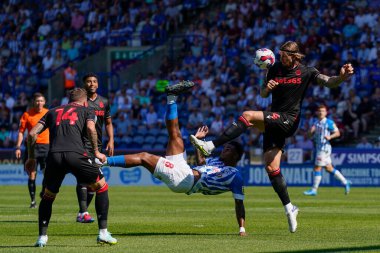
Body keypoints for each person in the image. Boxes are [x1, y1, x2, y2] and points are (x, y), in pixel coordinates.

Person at [190, 41, 354, 233]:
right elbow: (263, 93)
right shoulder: (274, 68)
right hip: (274, 121)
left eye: (283, 55)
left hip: (289, 119)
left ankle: (210, 145)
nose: (280, 57)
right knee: (271, 167)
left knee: (248, 115)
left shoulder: (308, 71)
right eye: (279, 54)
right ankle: (290, 208)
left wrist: (342, 78)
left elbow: (329, 82)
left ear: (293, 56)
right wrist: (267, 87)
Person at [98, 81, 247, 236]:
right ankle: (172, 97)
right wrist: (198, 141)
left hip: (184, 180)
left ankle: (103, 161)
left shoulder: (235, 175)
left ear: (236, 156)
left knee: (144, 157)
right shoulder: (217, 161)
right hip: (185, 170)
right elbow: (201, 163)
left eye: (228, 149)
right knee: (175, 136)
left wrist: (242, 229)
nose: (224, 150)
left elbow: (239, 202)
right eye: (225, 147)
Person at [25, 88, 117, 247]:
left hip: (54, 157)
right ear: (85, 100)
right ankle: (103, 233)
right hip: (77, 155)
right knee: (101, 187)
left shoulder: (52, 111)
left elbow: (32, 134)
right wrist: (96, 151)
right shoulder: (87, 109)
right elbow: (90, 128)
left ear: (69, 100)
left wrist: (31, 158)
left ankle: (42, 237)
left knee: (48, 196)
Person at [75, 73, 114, 223]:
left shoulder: (104, 102)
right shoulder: (80, 102)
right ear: (84, 84)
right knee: (84, 178)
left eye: (94, 81)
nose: (92, 84)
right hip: (80, 144)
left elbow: (109, 123)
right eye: (89, 81)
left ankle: (82, 212)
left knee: (94, 180)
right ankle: (83, 212)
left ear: (97, 84)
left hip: (97, 146)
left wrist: (111, 139)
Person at [304, 105, 351, 196]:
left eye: (323, 111)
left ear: (326, 113)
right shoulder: (315, 123)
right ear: (317, 112)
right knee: (329, 168)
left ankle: (314, 190)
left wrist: (330, 136)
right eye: (319, 111)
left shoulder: (329, 122)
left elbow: (337, 133)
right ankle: (345, 182)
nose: (321, 112)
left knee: (317, 168)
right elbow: (309, 136)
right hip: (319, 148)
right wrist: (310, 132)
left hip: (324, 148)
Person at [15, 93, 49, 208]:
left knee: (47, 174)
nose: (39, 103)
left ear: (44, 102)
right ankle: (33, 201)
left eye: (41, 101)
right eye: (37, 101)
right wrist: (18, 147)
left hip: (46, 146)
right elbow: (21, 131)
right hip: (32, 147)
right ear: (34, 102)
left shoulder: (48, 113)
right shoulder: (27, 114)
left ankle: (44, 191)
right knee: (32, 174)